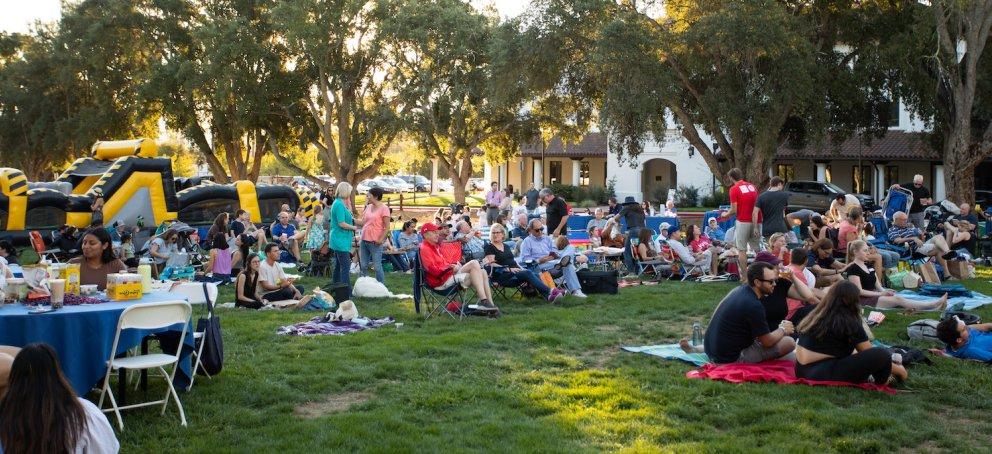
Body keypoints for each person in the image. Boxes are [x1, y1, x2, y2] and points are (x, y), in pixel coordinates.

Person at [0, 343, 120, 454]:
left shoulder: (11, 418)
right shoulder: (86, 412)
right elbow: (108, 448)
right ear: (57, 374)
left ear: (15, 382)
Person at [795, 282, 906, 384]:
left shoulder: (817, 313)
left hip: (801, 370)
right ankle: (885, 379)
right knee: (882, 354)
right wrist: (900, 371)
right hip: (821, 373)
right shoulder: (848, 320)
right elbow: (868, 351)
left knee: (856, 353)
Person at [701, 262, 796, 363]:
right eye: (771, 282)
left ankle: (698, 349)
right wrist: (783, 329)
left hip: (711, 350)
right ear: (757, 282)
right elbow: (767, 342)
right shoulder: (754, 305)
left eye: (775, 281)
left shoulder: (738, 290)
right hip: (729, 358)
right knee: (789, 342)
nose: (775, 284)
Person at [419, 223, 498, 312]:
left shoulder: (435, 247)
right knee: (474, 263)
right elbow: (434, 271)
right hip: (441, 282)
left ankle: (490, 305)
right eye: (434, 232)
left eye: (437, 232)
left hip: (448, 276)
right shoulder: (425, 249)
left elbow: (442, 264)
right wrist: (451, 268)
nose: (437, 234)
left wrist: (454, 265)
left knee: (482, 271)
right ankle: (485, 301)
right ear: (426, 235)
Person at [845, 240, 946, 310]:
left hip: (875, 295)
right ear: (855, 252)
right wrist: (881, 294)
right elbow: (859, 291)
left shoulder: (868, 265)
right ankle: (933, 305)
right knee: (899, 300)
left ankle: (933, 305)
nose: (868, 253)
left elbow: (877, 284)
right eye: (865, 251)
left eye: (868, 250)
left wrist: (885, 291)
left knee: (900, 296)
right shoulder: (852, 268)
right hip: (863, 300)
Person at [484, 223, 565, 303]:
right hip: (503, 276)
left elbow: (513, 261)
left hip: (515, 273)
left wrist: (520, 268)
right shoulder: (489, 247)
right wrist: (509, 269)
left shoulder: (506, 246)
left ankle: (548, 297)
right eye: (493, 233)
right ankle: (551, 291)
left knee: (535, 274)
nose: (495, 235)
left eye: (497, 232)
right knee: (527, 273)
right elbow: (492, 264)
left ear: (502, 234)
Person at [519, 219, 587, 298]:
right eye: (537, 230)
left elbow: (555, 250)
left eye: (541, 229)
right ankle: (575, 290)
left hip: (553, 261)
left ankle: (576, 290)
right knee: (568, 263)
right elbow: (525, 261)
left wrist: (554, 255)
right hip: (539, 266)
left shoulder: (547, 239)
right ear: (530, 230)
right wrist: (539, 260)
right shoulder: (526, 242)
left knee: (570, 247)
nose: (540, 232)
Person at [888, 211, 956, 276]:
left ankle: (947, 251)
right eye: (904, 220)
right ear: (896, 220)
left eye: (906, 219)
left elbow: (921, 236)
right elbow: (898, 240)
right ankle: (946, 273)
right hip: (911, 249)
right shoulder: (893, 230)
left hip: (921, 245)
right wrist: (913, 238)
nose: (906, 221)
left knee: (939, 237)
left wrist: (921, 234)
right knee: (938, 249)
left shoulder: (908, 227)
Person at [720, 168, 760, 278]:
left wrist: (725, 215)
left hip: (743, 221)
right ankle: (759, 274)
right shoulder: (752, 186)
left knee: (742, 250)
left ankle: (745, 277)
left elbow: (734, 209)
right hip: (757, 220)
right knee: (757, 249)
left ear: (731, 178)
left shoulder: (734, 189)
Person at [330, 182, 362, 299]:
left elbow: (348, 218)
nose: (350, 194)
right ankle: (346, 292)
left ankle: (336, 288)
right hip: (339, 239)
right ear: (345, 191)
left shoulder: (341, 203)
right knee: (345, 266)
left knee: (339, 266)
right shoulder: (338, 204)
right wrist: (353, 227)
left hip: (342, 239)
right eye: (349, 192)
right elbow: (341, 223)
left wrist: (359, 222)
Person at [359, 187, 391, 283]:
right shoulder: (368, 207)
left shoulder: (384, 209)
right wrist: (350, 219)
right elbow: (363, 222)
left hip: (375, 242)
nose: (367, 197)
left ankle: (381, 288)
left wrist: (381, 240)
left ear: (376, 196)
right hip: (364, 240)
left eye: (369, 195)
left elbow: (387, 227)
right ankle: (362, 286)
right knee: (363, 265)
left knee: (377, 267)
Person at [615, 196, 647, 276]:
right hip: (642, 231)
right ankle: (637, 271)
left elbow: (616, 218)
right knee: (636, 251)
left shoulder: (627, 208)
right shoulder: (640, 210)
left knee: (628, 252)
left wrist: (618, 222)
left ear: (627, 203)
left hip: (634, 231)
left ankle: (631, 272)